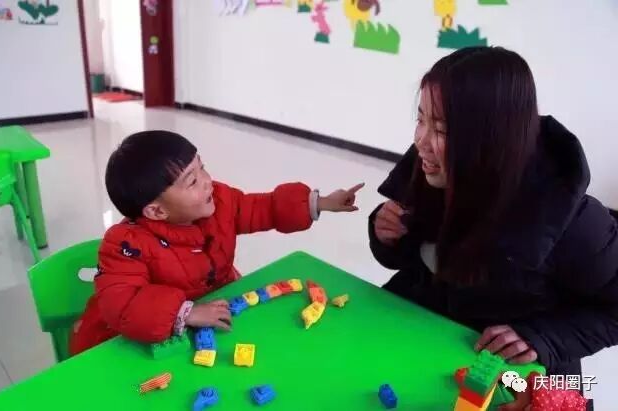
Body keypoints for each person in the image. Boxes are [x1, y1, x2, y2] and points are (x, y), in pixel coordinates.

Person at [368, 47, 618, 379]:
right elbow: (414, 259)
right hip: (425, 341)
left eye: (441, 129)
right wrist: (386, 235)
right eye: (421, 119)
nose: (420, 142)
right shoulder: (433, 169)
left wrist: (543, 338)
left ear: (492, 140)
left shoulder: (572, 222)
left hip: (516, 376)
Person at [70, 130, 363, 355]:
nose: (208, 181)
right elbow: (122, 304)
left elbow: (263, 208)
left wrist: (319, 203)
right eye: (192, 181)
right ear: (156, 211)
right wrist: (186, 313)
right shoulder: (125, 245)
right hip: (149, 330)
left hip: (217, 304)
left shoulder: (219, 201)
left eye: (202, 168)